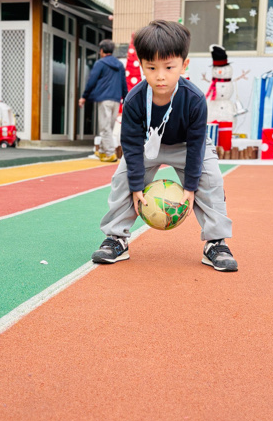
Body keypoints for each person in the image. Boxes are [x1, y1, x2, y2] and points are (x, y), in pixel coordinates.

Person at [91, 20, 237, 271]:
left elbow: (197, 145)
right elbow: (131, 145)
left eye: (169, 67)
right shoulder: (135, 99)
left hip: (187, 145)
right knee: (123, 178)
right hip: (148, 143)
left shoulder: (194, 99)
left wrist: (190, 187)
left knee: (211, 179)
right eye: (151, 67)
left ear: (184, 65)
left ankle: (216, 242)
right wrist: (136, 186)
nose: (160, 76)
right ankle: (116, 238)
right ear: (141, 66)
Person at [79, 40, 127, 163]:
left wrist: (84, 96)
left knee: (105, 127)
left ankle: (110, 153)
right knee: (108, 127)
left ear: (101, 50)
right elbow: (123, 83)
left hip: (104, 99)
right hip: (116, 100)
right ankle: (101, 151)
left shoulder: (100, 63)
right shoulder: (119, 65)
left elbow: (92, 81)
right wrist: (126, 99)